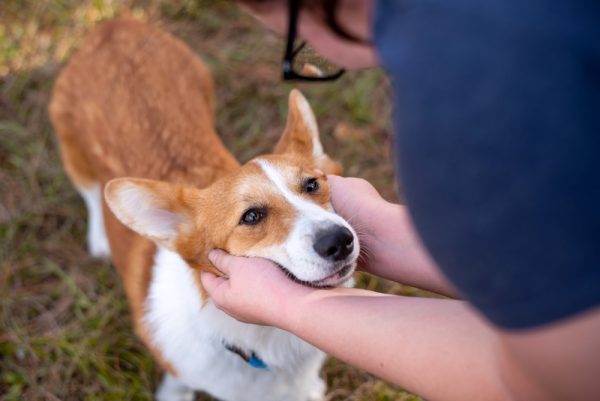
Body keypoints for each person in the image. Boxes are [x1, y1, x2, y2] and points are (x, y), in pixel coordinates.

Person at [200, 1, 600, 400]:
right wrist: (385, 231)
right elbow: (557, 276)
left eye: (298, 42)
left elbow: (554, 385)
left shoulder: (472, 126)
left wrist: (290, 307)